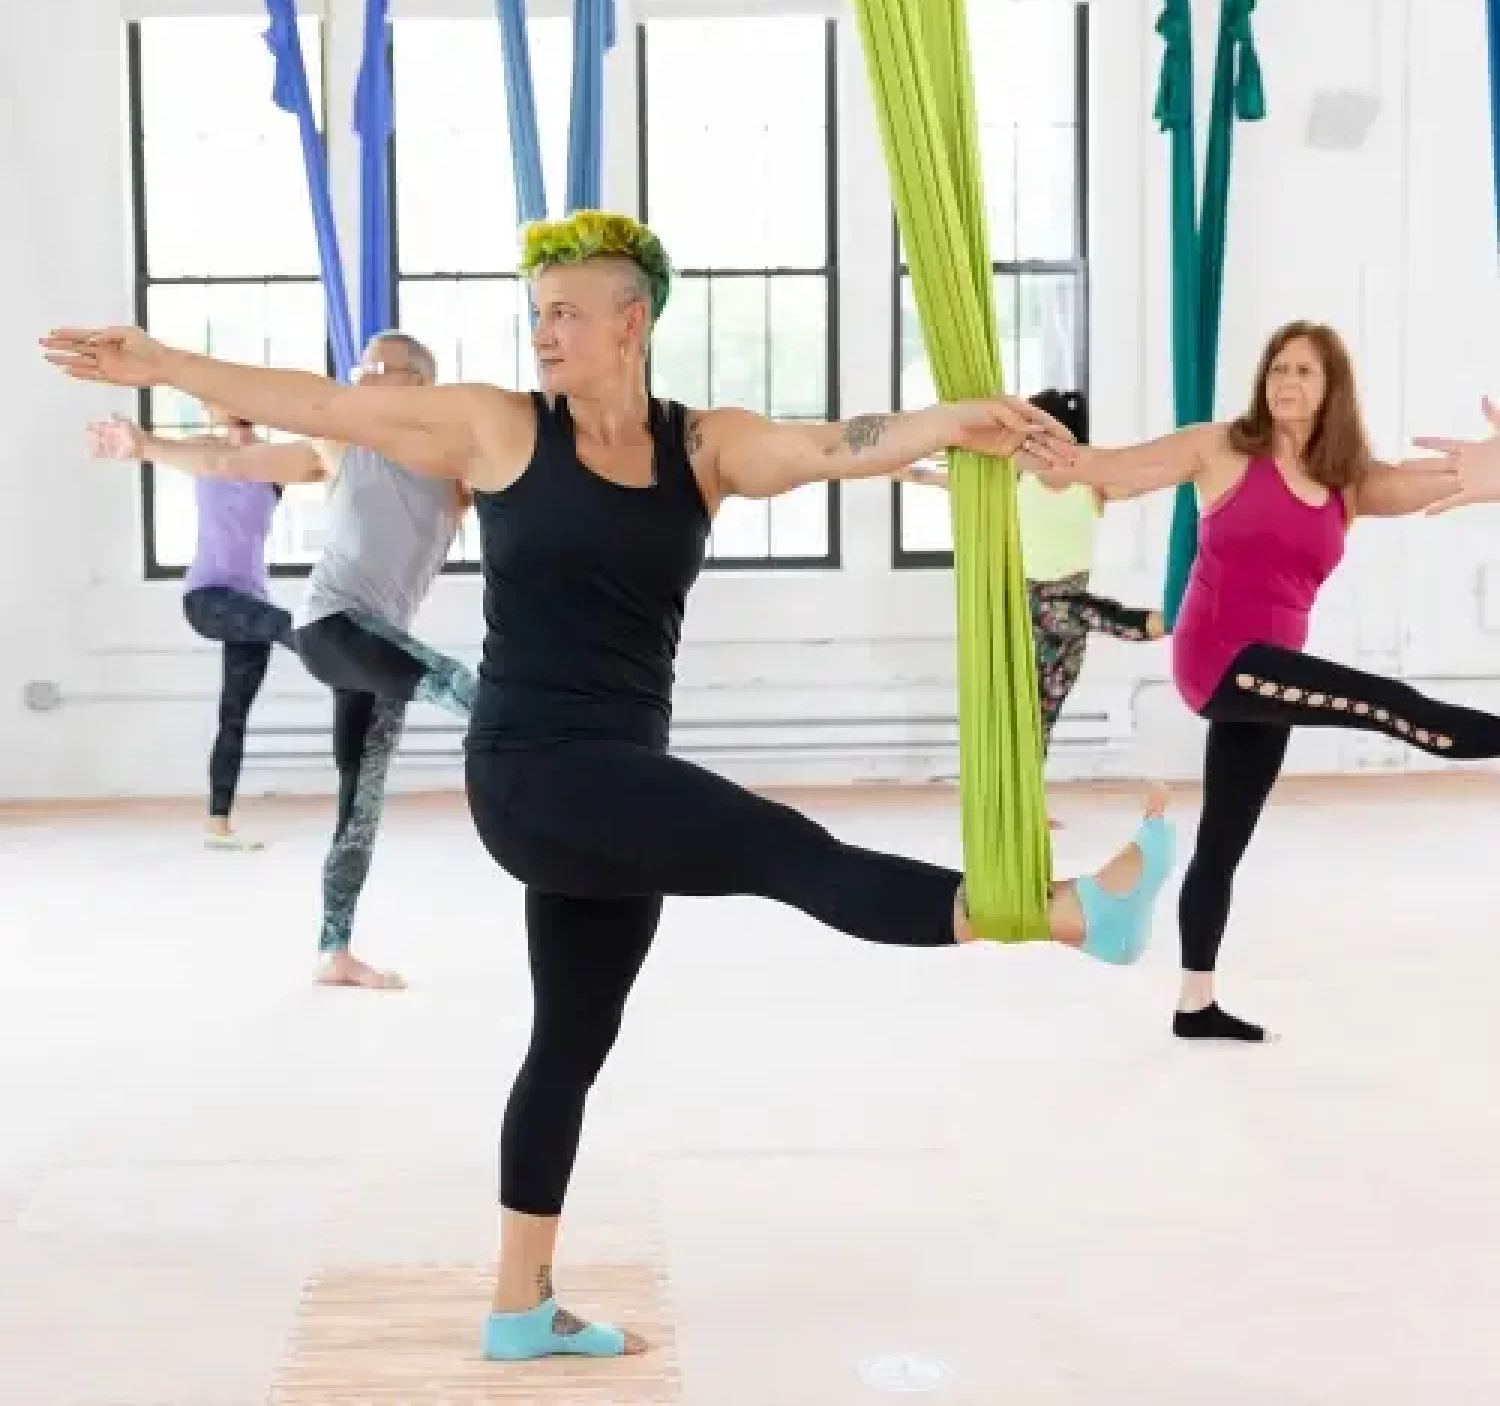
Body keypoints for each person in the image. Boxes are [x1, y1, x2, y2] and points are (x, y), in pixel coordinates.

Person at [42, 208, 1178, 1360]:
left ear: (631, 323)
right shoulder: (496, 429)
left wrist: (961, 420)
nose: (545, 334)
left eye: (569, 314)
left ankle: (520, 1308)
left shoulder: (705, 446)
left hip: (614, 784)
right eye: (538, 315)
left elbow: (845, 442)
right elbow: (330, 407)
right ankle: (1067, 913)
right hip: (534, 774)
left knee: (570, 1043)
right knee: (791, 852)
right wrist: (168, 366)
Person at [1053, 319, 1500, 1044]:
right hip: (1222, 660)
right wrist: (1049, 458)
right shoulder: (1221, 447)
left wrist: (1488, 469)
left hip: (1270, 678)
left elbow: (1442, 479)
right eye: (1278, 368)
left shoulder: (1346, 484)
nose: (1286, 382)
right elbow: (1116, 469)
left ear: (1332, 391)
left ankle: (1194, 1005)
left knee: (1223, 843)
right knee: (1390, 704)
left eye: (1304, 372)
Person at [84, 330, 478, 991]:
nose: (362, 377)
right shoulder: (341, 441)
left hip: (376, 652)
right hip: (333, 626)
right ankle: (584, 790)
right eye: (360, 366)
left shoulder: (454, 465)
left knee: (361, 802)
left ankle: (335, 952)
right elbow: (233, 464)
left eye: (378, 367)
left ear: (420, 381)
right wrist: (146, 446)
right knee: (471, 691)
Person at [897, 388, 1164, 763]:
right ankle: (1155, 623)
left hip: (1070, 618)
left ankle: (1030, 805)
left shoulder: (1095, 486)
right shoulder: (1017, 481)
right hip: (1028, 611)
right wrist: (909, 471)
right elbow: (953, 480)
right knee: (1062, 624)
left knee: (1044, 715)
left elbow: (1146, 478)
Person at [87, 408, 296, 850]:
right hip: (208, 597)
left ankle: (217, 826)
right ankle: (356, 662)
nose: (236, 426)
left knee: (233, 716)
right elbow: (169, 447)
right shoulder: (205, 453)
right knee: (291, 628)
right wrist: (135, 438)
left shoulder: (274, 467)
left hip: (251, 606)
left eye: (244, 419)